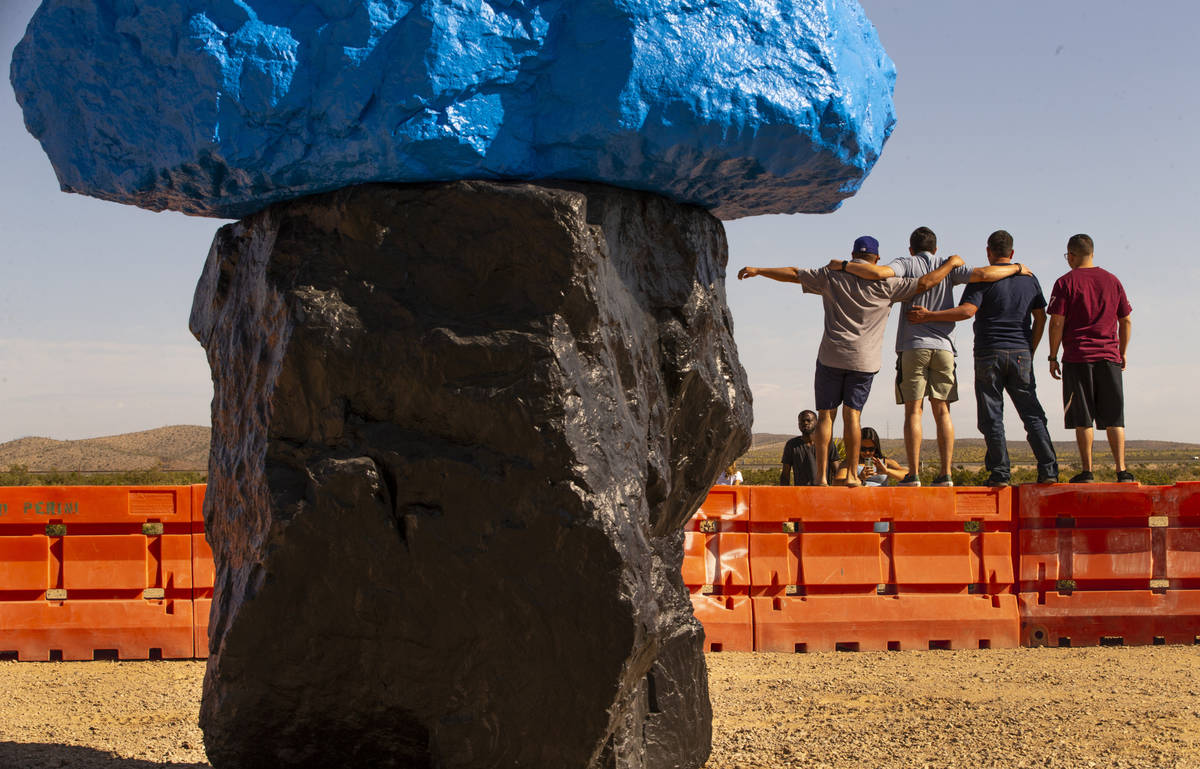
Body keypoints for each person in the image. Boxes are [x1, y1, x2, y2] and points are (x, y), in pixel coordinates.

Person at [739, 236, 960, 487]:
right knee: (852, 416)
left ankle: (822, 478)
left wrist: (759, 270)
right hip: (864, 361)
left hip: (831, 356)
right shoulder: (888, 284)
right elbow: (924, 283)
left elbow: (793, 274)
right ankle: (854, 476)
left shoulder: (831, 275)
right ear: (876, 259)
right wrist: (950, 264)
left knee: (825, 417)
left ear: (852, 254)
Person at [828, 226, 1028, 486]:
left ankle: (914, 475)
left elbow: (878, 273)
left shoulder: (905, 263)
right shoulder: (949, 265)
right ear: (935, 248)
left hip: (913, 344)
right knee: (943, 410)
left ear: (911, 249)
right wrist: (1017, 268)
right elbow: (983, 274)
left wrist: (844, 265)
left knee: (914, 411)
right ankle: (946, 474)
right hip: (944, 346)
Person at [908, 230, 1059, 486]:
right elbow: (1041, 318)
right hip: (1021, 352)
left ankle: (1000, 474)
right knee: (1031, 413)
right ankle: (1049, 471)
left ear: (988, 251)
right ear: (1011, 253)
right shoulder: (1029, 279)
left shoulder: (981, 278)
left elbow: (967, 311)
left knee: (992, 416)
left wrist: (929, 315)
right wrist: (1030, 349)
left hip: (989, 351)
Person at [1047, 234, 1134, 483]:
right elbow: (1125, 320)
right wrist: (1122, 352)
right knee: (1114, 416)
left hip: (1078, 357)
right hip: (1109, 357)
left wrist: (1053, 356)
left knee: (1082, 416)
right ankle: (1122, 470)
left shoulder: (1065, 283)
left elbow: (1056, 322)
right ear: (1092, 253)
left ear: (1071, 255)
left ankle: (1087, 471)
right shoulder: (1112, 281)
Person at [780, 410, 840, 485]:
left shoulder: (827, 443)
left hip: (823, 492)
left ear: (817, 422)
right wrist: (785, 495)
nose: (805, 423)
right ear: (798, 424)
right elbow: (785, 474)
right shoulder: (791, 445)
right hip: (801, 494)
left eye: (808, 420)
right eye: (802, 421)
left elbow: (837, 471)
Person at [834, 426, 906, 486]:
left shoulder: (884, 462)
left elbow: (907, 475)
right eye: (863, 449)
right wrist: (859, 478)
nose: (867, 452)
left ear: (876, 447)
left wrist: (887, 471)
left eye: (871, 449)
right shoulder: (849, 463)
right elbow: (837, 483)